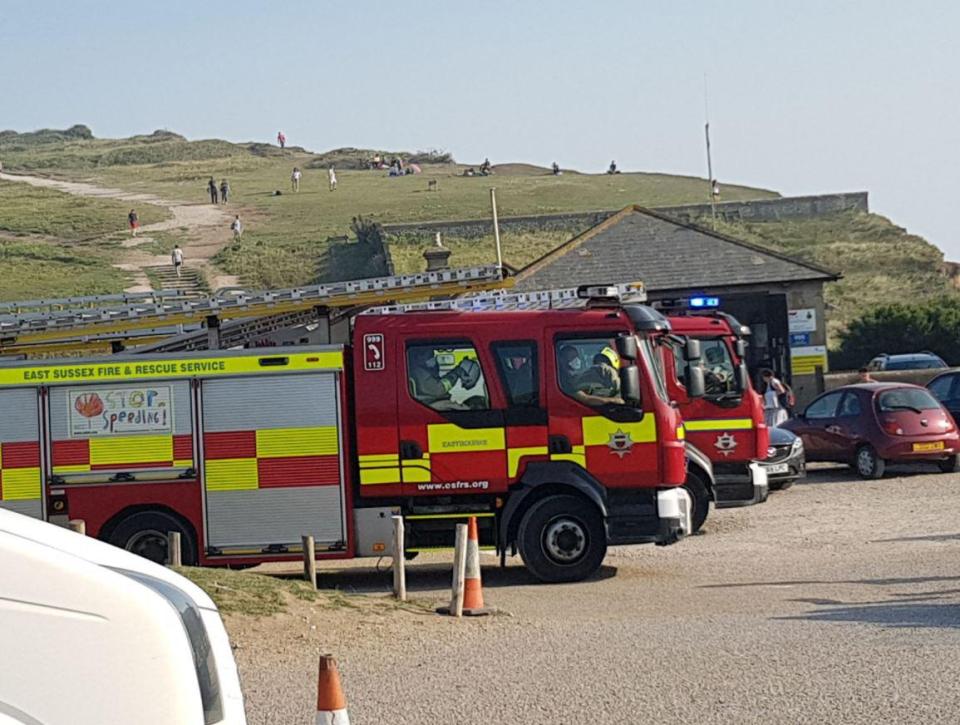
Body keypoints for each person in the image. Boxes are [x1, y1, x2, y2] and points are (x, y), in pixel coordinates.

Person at [408, 348, 481, 408]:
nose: (432, 358)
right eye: (429, 355)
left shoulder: (421, 371)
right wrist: (456, 373)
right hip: (432, 405)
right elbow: (438, 389)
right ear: (417, 356)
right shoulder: (418, 371)